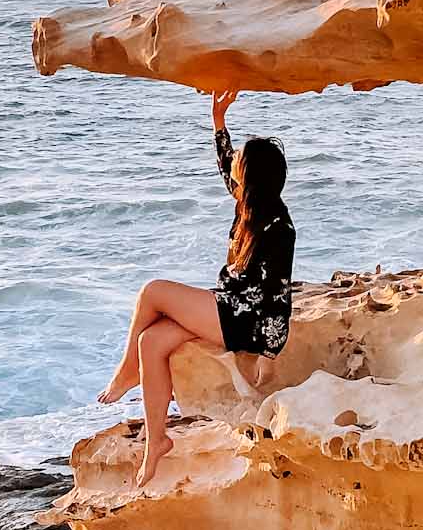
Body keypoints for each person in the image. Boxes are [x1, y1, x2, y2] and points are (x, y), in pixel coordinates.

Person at [97, 89, 295, 487]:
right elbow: (226, 167)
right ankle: (157, 443)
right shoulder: (249, 204)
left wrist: (268, 355)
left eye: (241, 163)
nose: (234, 166)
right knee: (151, 342)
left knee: (153, 291)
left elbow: (279, 294)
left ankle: (126, 374)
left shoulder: (278, 227)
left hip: (246, 321)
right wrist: (218, 120)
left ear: (252, 177)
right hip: (229, 307)